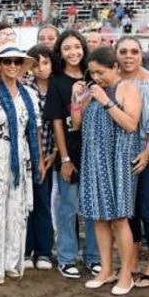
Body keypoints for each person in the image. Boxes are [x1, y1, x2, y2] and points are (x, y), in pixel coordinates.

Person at [72, 46, 143, 294]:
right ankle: (106, 269)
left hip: (119, 159)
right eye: (92, 73)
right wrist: (76, 99)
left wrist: (106, 101)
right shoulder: (92, 91)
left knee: (119, 218)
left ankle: (125, 273)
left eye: (100, 72)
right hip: (93, 158)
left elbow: (131, 125)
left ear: (115, 67)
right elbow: (77, 124)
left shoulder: (128, 88)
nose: (96, 78)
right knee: (99, 218)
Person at [0, 46, 42, 283]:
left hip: (21, 156)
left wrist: (38, 160)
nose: (12, 66)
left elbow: (34, 128)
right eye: (7, 62)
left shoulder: (29, 95)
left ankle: (11, 263)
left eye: (17, 62)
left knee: (16, 211)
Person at [45, 30, 100, 279]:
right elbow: (57, 122)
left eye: (77, 47)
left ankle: (93, 257)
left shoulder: (94, 77)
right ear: (60, 52)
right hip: (70, 152)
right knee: (68, 207)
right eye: (67, 48)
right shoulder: (57, 81)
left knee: (93, 208)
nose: (73, 52)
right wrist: (64, 159)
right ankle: (67, 257)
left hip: (95, 152)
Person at [116, 36, 149, 287]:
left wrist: (147, 153)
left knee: (148, 209)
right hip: (123, 156)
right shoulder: (114, 82)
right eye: (123, 51)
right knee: (130, 210)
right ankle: (132, 261)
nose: (128, 56)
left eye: (133, 51)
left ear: (141, 54)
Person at [23, 45, 58, 269]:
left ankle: (44, 251)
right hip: (29, 154)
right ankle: (26, 251)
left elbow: (60, 126)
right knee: (27, 203)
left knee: (43, 202)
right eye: (36, 64)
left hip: (50, 154)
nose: (41, 68)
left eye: (45, 63)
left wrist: (52, 154)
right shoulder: (26, 88)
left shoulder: (58, 88)